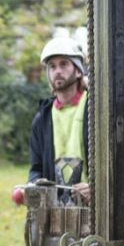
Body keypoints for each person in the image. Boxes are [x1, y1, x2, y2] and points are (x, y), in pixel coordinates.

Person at [27, 36, 90, 204]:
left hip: (94, 208)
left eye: (64, 64)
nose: (57, 71)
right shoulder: (41, 119)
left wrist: (96, 187)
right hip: (56, 211)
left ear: (78, 71)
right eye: (52, 66)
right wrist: (32, 186)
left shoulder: (95, 109)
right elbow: (36, 169)